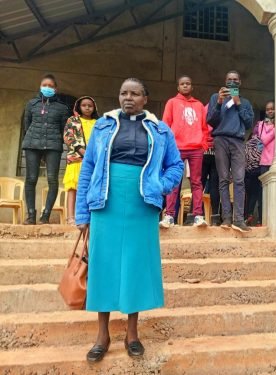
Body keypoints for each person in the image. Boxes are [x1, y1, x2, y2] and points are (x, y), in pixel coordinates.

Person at [75, 78, 184, 362]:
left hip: (141, 203)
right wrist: (82, 213)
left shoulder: (160, 130)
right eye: (124, 92)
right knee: (104, 266)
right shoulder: (103, 126)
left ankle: (132, 334)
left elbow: (176, 165)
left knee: (135, 266)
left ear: (145, 99)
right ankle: (102, 335)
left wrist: (160, 185)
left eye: (135, 94)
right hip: (105, 201)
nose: (128, 98)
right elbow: (88, 168)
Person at [207, 70, 254, 232]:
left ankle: (239, 220)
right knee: (223, 179)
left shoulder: (245, 102)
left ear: (240, 83)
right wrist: (220, 102)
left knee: (239, 180)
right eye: (229, 79)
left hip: (238, 142)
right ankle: (226, 218)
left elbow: (248, 123)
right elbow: (211, 121)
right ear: (225, 81)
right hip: (220, 140)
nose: (232, 82)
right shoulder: (215, 97)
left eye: (235, 80)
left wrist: (238, 102)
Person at [22, 74, 71, 224]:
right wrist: (33, 140)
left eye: (51, 86)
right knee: (31, 179)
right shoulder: (32, 104)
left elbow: (64, 130)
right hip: (32, 145)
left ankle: (46, 215)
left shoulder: (63, 108)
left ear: (56, 89)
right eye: (45, 85)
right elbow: (26, 124)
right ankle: (31, 215)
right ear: (40, 86)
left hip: (53, 147)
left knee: (52, 180)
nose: (47, 88)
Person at [161, 75, 208, 227]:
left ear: (192, 87)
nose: (185, 86)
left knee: (196, 182)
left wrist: (203, 143)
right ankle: (169, 216)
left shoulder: (199, 105)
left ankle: (198, 216)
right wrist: (166, 146)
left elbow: (204, 127)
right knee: (174, 181)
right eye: (182, 84)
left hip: (196, 148)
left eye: (188, 83)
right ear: (178, 87)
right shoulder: (172, 102)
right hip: (176, 148)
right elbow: (165, 125)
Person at [63, 96, 99, 225]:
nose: (87, 107)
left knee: (90, 187)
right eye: (84, 105)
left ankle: (88, 217)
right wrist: (81, 150)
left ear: (94, 107)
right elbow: (68, 137)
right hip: (76, 159)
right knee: (73, 187)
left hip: (93, 162)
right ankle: (71, 217)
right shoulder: (72, 120)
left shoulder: (98, 122)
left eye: (90, 105)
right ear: (79, 106)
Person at [245, 100, 275, 226]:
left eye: (272, 108)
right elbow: (258, 141)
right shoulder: (260, 124)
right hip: (262, 162)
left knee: (273, 193)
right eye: (268, 109)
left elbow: (263, 140)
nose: (270, 111)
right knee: (262, 193)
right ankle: (261, 220)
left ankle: (270, 220)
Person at [201, 122, 221, 225]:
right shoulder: (220, 113)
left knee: (199, 186)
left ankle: (196, 215)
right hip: (216, 151)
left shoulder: (203, 113)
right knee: (215, 186)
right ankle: (215, 218)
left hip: (203, 151)